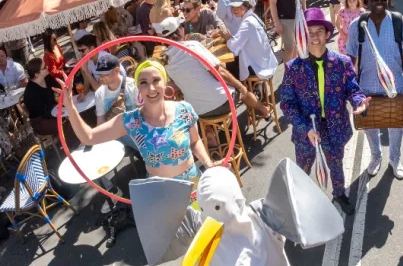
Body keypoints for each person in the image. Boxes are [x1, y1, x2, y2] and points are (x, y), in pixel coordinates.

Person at [61, 59, 216, 189]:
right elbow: (88, 137)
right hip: (161, 190)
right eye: (144, 83)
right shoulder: (130, 121)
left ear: (165, 81)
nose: (151, 88)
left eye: (156, 80)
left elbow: (195, 142)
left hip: (192, 182)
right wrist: (70, 106)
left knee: (203, 224)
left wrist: (208, 162)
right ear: (137, 88)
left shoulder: (183, 109)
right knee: (174, 226)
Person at [280, 8, 369, 211]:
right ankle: (301, 201)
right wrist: (305, 129)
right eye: (309, 33)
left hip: (335, 128)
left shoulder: (342, 62)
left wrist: (359, 102)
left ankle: (339, 195)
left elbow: (352, 90)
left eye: (319, 31)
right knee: (303, 168)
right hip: (306, 131)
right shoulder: (293, 67)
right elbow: (287, 104)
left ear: (328, 34)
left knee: (336, 165)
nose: (314, 37)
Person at [346, 0, 403, 180]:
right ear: (366, 1)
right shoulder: (357, 26)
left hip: (395, 87)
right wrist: (347, 85)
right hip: (367, 87)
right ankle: (376, 156)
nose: (379, 0)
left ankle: (395, 159)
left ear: (387, 0)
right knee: (370, 126)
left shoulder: (399, 22)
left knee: (396, 126)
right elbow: (350, 57)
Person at [157, 16, 269, 120]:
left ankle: (210, 134)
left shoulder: (164, 60)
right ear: (179, 30)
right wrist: (240, 87)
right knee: (240, 87)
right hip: (223, 102)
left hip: (198, 111)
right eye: (181, 26)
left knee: (203, 90)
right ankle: (264, 111)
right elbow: (219, 72)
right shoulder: (192, 46)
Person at [23, 57, 79, 144]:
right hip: (41, 121)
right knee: (67, 123)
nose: (47, 67)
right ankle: (74, 145)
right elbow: (41, 113)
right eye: (44, 67)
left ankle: (77, 140)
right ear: (36, 74)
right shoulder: (30, 93)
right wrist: (61, 114)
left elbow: (58, 91)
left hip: (55, 110)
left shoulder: (47, 77)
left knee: (75, 112)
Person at [227, 0, 279, 81]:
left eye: (238, 6)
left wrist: (226, 37)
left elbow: (233, 46)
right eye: (232, 6)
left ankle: (243, 92)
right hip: (265, 62)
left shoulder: (248, 23)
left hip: (259, 67)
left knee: (228, 67)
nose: (234, 9)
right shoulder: (253, 17)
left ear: (246, 7)